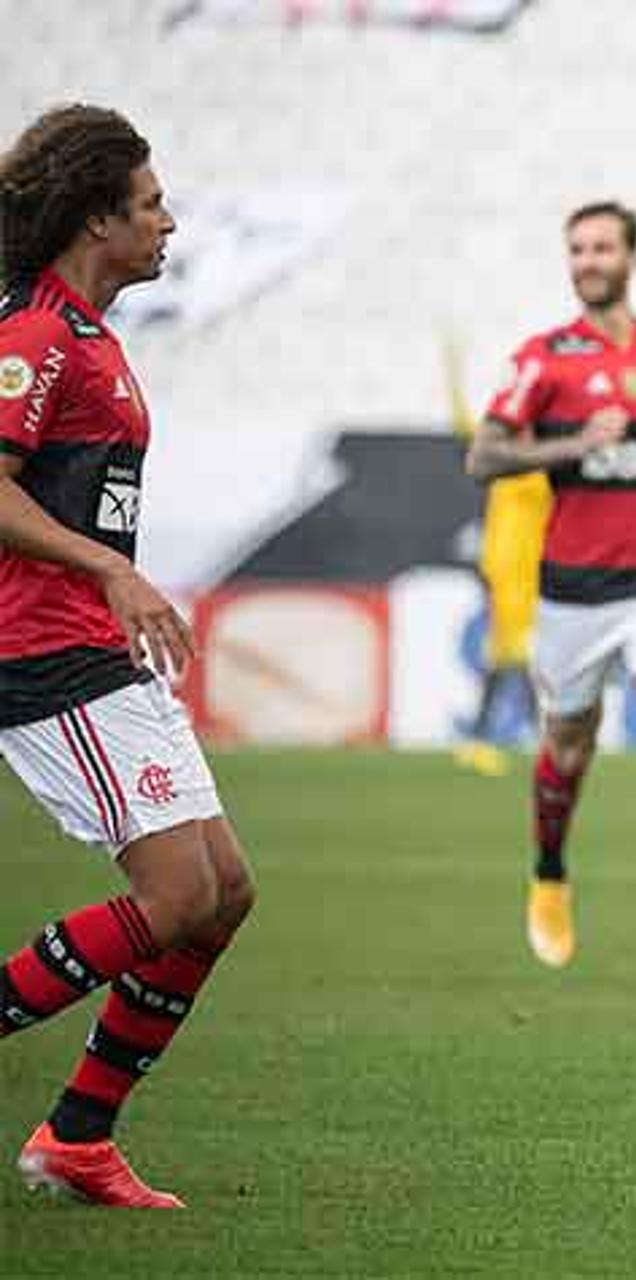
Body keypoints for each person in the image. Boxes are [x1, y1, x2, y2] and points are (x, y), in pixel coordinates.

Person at [0, 104, 255, 1208]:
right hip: (43, 648)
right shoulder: (35, 339)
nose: (169, 223)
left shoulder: (91, 336)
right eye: (149, 205)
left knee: (224, 891)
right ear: (96, 215)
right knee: (175, 891)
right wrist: (109, 568)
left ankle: (79, 1135)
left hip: (96, 645)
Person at [467, 200, 636, 980]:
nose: (586, 260)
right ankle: (549, 871)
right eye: (576, 249)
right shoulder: (545, 360)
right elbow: (483, 456)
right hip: (575, 593)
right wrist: (573, 443)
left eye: (600, 247)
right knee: (568, 746)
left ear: (630, 258)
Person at [445, 337, 550, 778]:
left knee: (513, 659)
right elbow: (469, 428)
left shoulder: (538, 471)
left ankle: (490, 738)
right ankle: (530, 741)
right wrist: (453, 375)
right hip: (503, 577)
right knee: (511, 660)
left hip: (524, 579)